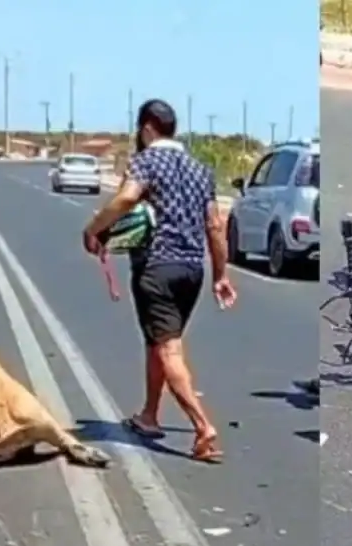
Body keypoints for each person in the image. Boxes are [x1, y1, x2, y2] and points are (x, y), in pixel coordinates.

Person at [83, 99, 237, 464]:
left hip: (157, 268)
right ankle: (149, 416)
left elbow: (127, 198)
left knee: (168, 351)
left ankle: (203, 428)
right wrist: (220, 276)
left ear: (147, 128)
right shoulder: (201, 170)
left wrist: (94, 229)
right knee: (160, 342)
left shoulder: (145, 161)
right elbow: (215, 227)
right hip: (192, 272)